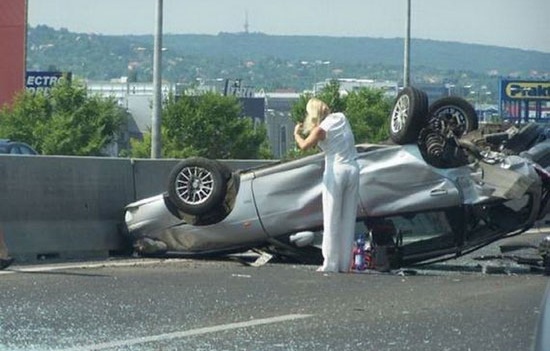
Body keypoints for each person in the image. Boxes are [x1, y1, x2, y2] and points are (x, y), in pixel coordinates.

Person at [294, 98, 360, 273]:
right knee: (348, 217)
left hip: (335, 170)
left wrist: (296, 134)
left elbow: (303, 146)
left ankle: (330, 263)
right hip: (353, 168)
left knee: (331, 217)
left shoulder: (320, 130)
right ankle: (345, 263)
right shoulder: (340, 118)